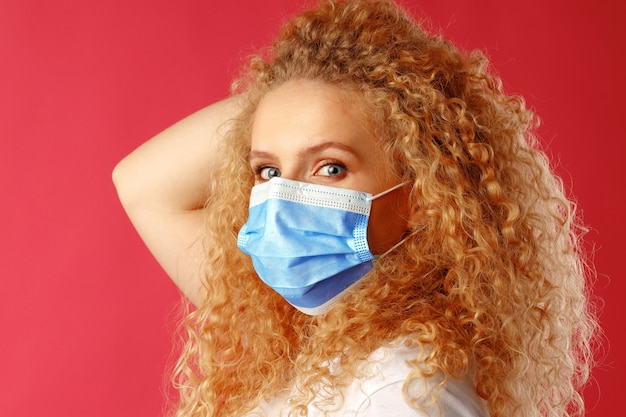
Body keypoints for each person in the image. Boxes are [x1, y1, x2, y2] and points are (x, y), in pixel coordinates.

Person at [112, 0, 597, 416]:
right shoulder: (299, 332)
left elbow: (142, 187)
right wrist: (291, 93)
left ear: (425, 195)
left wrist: (372, 93)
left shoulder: (406, 392)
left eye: (330, 168)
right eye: (270, 172)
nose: (283, 202)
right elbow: (142, 185)